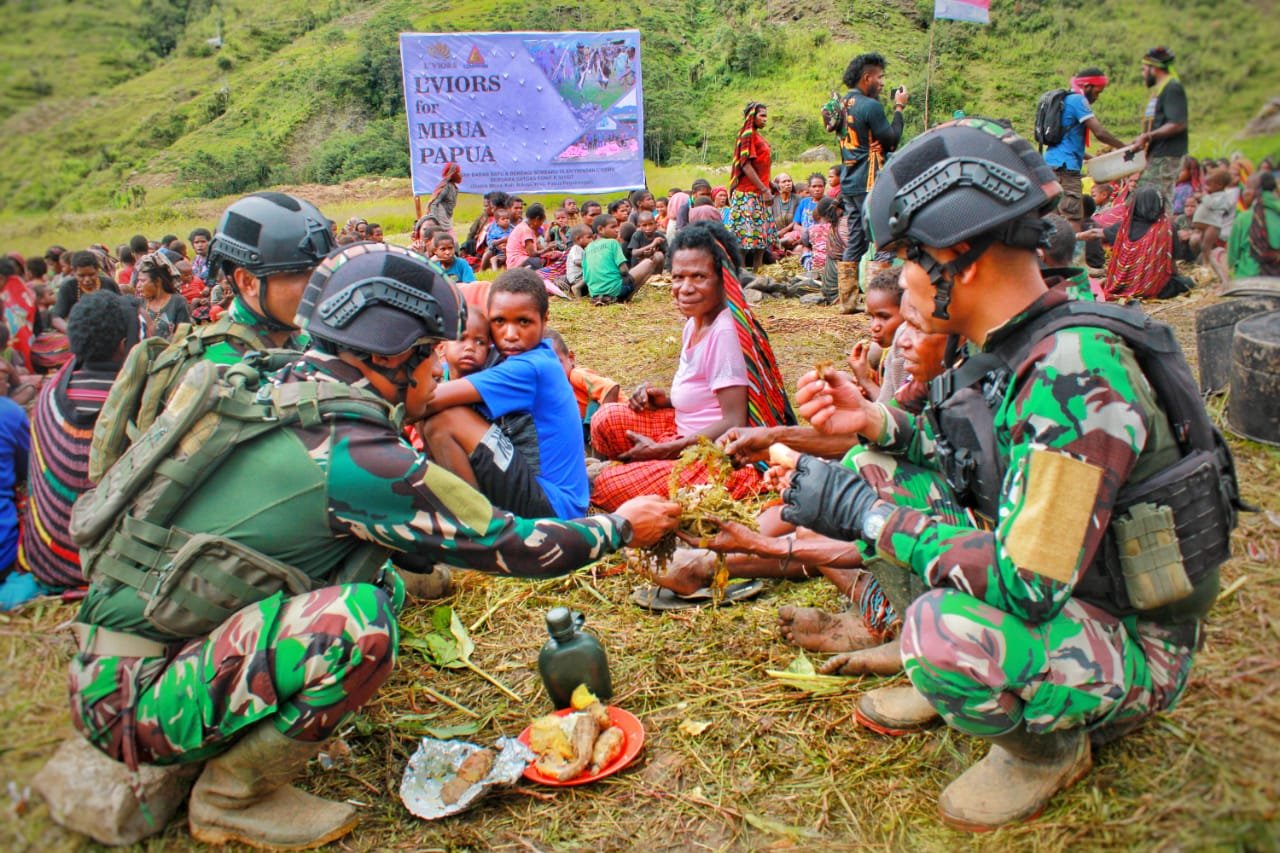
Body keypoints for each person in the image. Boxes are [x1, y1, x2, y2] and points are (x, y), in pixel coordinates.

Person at [58, 243, 679, 849]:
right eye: (432, 356)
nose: (441, 370)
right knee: (359, 624)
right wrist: (621, 527)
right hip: (129, 701)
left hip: (129, 655)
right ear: (394, 358)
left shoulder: (286, 383)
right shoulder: (354, 455)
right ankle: (232, 798)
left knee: (379, 579)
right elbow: (512, 547)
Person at [779, 118, 1234, 830]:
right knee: (876, 469)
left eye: (906, 257)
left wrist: (872, 521)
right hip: (1071, 590)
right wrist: (872, 424)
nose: (899, 280)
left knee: (939, 625)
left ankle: (1044, 748)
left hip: (1130, 640)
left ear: (958, 254)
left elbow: (1027, 581)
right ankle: (943, 668)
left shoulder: (1074, 372)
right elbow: (958, 457)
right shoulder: (1015, 343)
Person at [89, 192, 338, 482]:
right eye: (303, 275)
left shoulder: (299, 340)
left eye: (323, 271)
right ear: (247, 281)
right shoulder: (216, 371)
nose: (321, 286)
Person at [589, 222, 795, 511]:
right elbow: (711, 391)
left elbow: (735, 421)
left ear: (724, 279)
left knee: (605, 486)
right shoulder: (696, 321)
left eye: (698, 276)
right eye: (678, 277)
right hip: (686, 428)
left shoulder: (725, 333)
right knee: (606, 419)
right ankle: (631, 467)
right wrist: (666, 397)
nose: (684, 288)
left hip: (721, 455)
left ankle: (627, 471)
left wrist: (668, 450)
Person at [419, 268, 590, 519]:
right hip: (536, 489)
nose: (510, 335)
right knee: (434, 417)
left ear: (545, 320)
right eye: (499, 322)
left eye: (524, 322)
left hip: (556, 506)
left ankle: (478, 526)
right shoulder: (503, 359)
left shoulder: (532, 367)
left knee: (444, 421)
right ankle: (453, 508)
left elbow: (427, 399)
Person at [18, 291, 127, 594]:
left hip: (48, 559)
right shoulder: (137, 406)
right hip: (114, 570)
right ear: (123, 344)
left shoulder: (48, 397)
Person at [833, 52, 908, 314]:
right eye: (880, 77)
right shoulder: (871, 106)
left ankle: (848, 300)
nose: (882, 83)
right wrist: (899, 108)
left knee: (856, 238)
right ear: (867, 78)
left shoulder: (842, 104)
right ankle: (881, 301)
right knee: (882, 238)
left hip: (849, 180)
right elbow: (891, 140)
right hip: (871, 181)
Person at [1042, 69, 1127, 231]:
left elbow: (1066, 143)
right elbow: (1100, 133)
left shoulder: (1065, 100)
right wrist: (1126, 148)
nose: (1097, 97)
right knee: (1073, 215)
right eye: (1097, 92)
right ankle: (1073, 255)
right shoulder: (1078, 101)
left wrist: (1092, 158)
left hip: (1050, 166)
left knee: (1052, 217)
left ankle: (1049, 254)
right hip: (1067, 170)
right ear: (1087, 86)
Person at [1096, 187, 1188, 300]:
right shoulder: (1167, 228)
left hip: (1122, 286)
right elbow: (1172, 265)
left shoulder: (1124, 226)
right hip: (1155, 288)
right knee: (1186, 283)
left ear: (1135, 204)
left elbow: (1097, 233)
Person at [1133, 47, 1189, 208]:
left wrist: (1148, 136)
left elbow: (1178, 123)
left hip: (1167, 155)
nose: (1143, 74)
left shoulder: (1173, 87)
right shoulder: (1160, 89)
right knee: (1145, 199)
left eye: (1144, 69)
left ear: (1154, 69)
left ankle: (1163, 233)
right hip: (1156, 153)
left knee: (1158, 201)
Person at [725, 102, 777, 272]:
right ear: (751, 117)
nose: (765, 119)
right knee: (743, 237)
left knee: (760, 236)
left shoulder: (757, 137)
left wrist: (768, 185)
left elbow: (759, 167)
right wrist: (764, 189)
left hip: (759, 192)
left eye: (766, 116)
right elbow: (745, 165)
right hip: (747, 194)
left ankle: (758, 271)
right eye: (762, 115)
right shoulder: (747, 137)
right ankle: (741, 273)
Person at [583, 214, 659, 304]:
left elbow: (586, 276)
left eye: (617, 226)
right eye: (613, 227)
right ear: (601, 229)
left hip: (595, 294)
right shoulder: (612, 242)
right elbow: (623, 270)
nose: (617, 229)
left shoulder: (588, 248)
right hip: (616, 291)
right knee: (648, 262)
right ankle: (626, 299)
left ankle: (606, 298)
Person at [51, 251, 120, 335]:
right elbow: (56, 318)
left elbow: (122, 308)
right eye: (81, 276)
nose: (87, 280)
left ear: (97, 270)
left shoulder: (109, 284)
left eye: (91, 275)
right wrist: (73, 332)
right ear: (73, 272)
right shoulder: (68, 287)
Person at [1227, 171, 1280, 278]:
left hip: (1248, 279)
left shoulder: (1243, 218)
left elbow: (1231, 259)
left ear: (1254, 192)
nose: (1244, 192)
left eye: (1247, 187)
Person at [135, 252, 192, 339]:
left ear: (157, 281)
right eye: (138, 281)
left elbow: (185, 335)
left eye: (142, 281)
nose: (138, 285)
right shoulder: (139, 304)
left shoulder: (177, 302)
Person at [426, 163, 462, 235]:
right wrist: (435, 222)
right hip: (440, 217)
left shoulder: (453, 186)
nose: (461, 175)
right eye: (458, 172)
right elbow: (434, 203)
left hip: (447, 217)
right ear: (453, 174)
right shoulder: (446, 187)